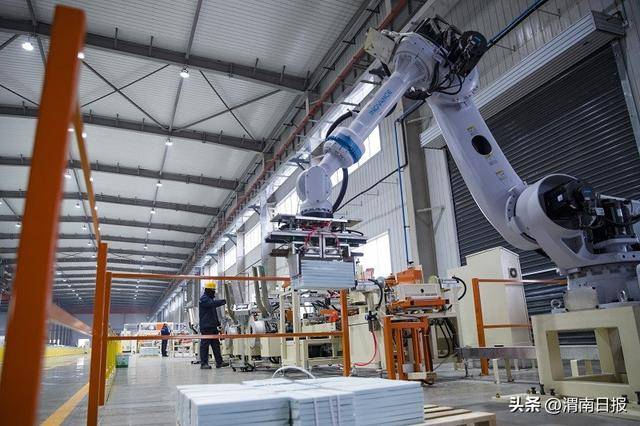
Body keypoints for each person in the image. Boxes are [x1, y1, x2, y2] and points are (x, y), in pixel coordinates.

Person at [199, 281, 227, 369]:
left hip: (212, 326)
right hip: (206, 327)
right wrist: (223, 301)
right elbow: (212, 304)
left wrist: (218, 324)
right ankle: (204, 363)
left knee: (216, 345)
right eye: (213, 290)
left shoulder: (210, 299)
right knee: (205, 346)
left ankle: (219, 362)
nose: (214, 292)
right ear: (209, 290)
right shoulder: (204, 299)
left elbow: (213, 313)